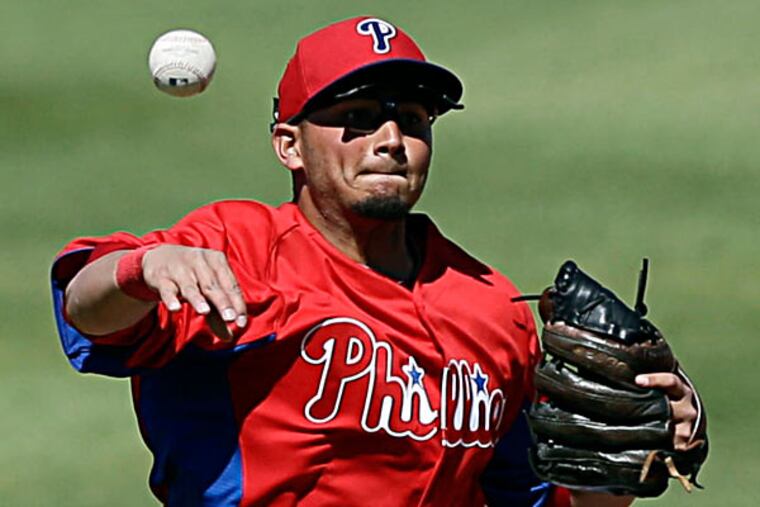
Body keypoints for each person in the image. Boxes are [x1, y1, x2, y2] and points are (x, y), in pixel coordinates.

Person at [50, 16, 699, 506]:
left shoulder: (487, 303)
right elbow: (91, 312)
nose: (391, 140)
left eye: (412, 120)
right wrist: (141, 268)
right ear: (289, 146)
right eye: (358, 117)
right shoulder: (238, 245)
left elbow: (536, 495)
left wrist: (624, 459)